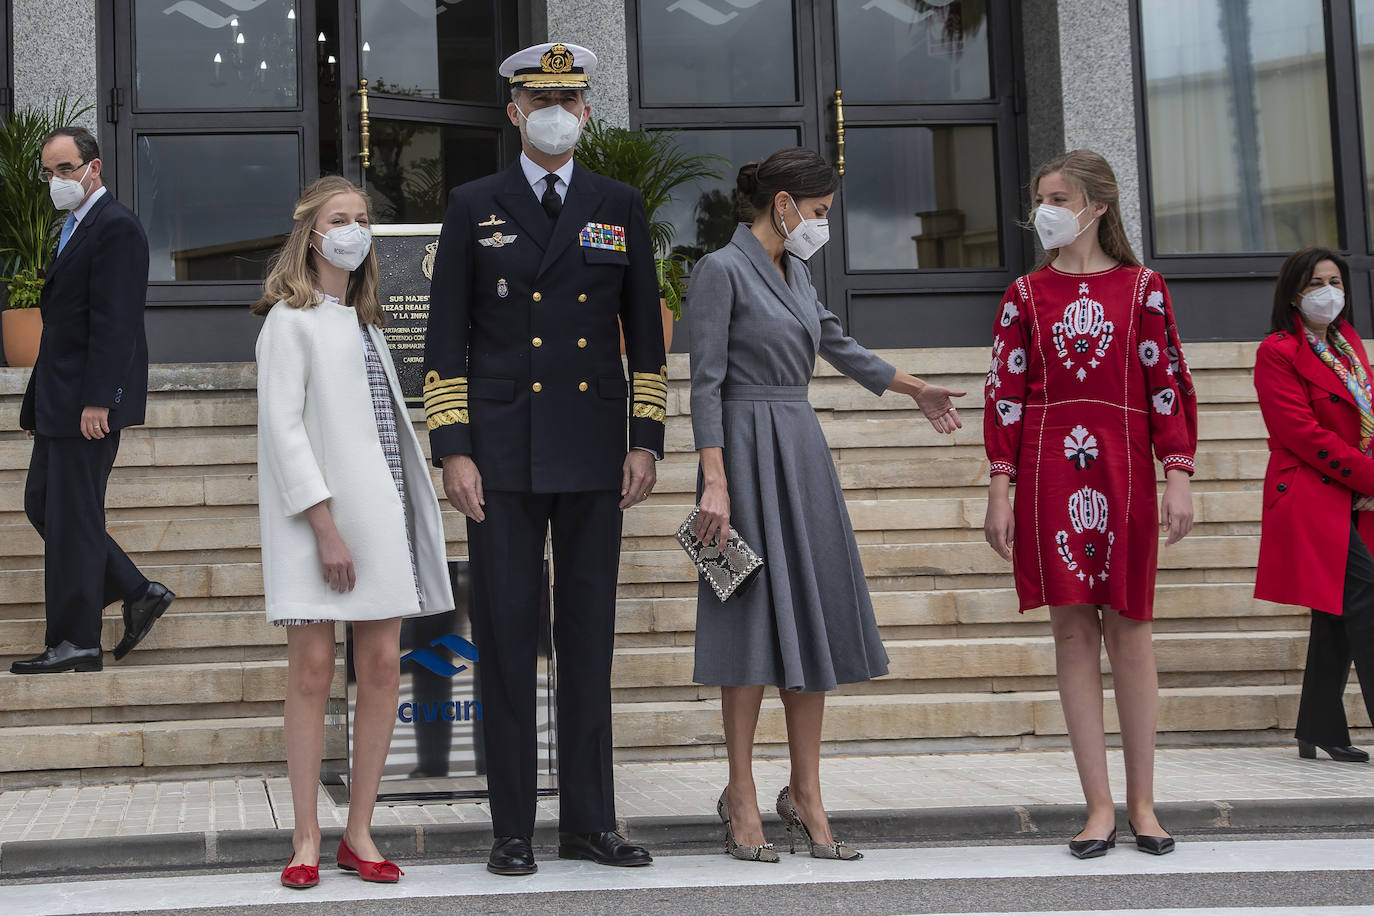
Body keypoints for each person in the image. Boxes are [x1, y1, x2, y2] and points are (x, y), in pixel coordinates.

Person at [422, 42, 664, 877]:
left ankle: (591, 821)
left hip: (596, 452)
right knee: (507, 636)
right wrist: (452, 449)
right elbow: (443, 339)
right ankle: (513, 828)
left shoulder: (619, 203)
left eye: (571, 97)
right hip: (502, 456)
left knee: (588, 642)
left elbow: (648, 341)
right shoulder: (473, 204)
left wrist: (645, 439)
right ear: (515, 111)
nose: (558, 109)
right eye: (541, 97)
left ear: (588, 111)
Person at [688, 147, 964, 863]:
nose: (820, 225)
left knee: (808, 626)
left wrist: (916, 388)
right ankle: (741, 794)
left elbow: (836, 342)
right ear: (783, 204)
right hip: (742, 458)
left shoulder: (797, 270)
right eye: (816, 212)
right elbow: (705, 383)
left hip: (800, 452)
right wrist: (713, 482)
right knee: (746, 633)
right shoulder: (720, 271)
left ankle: (805, 793)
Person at [981, 149, 1197, 858]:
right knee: (1072, 634)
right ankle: (1098, 807)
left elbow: (1168, 385)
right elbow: (1004, 394)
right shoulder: (1023, 295)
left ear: (1096, 207)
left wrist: (1179, 474)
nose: (1044, 209)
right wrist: (999, 487)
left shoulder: (1144, 289)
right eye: (1040, 196)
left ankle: (1143, 804)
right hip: (1048, 471)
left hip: (1127, 469)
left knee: (1131, 631)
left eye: (1056, 197)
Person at [254, 176, 455, 889]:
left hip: (380, 518)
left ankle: (359, 830)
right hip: (319, 526)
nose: (355, 229)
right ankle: (306, 837)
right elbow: (283, 433)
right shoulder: (289, 319)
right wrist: (325, 527)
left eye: (363, 218)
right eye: (341, 219)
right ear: (312, 234)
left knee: (378, 670)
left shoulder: (364, 319)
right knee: (311, 672)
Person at [13, 126, 174, 675]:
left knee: (73, 517)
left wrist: (100, 401)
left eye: (65, 169)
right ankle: (136, 590)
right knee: (45, 506)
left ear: (93, 167)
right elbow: (60, 328)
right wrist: (37, 406)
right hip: (59, 401)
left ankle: (76, 641)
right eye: (49, 171)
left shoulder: (116, 228)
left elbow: (115, 324)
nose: (56, 180)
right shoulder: (75, 226)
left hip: (88, 405)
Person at [1253, 247, 1374, 764]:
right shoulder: (1277, 351)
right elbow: (1300, 433)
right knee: (1367, 597)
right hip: (1309, 490)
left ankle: (1318, 726)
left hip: (1355, 491)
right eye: (1316, 283)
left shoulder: (1348, 343)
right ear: (1295, 295)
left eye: (1335, 280)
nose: (1329, 291)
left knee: (1336, 609)